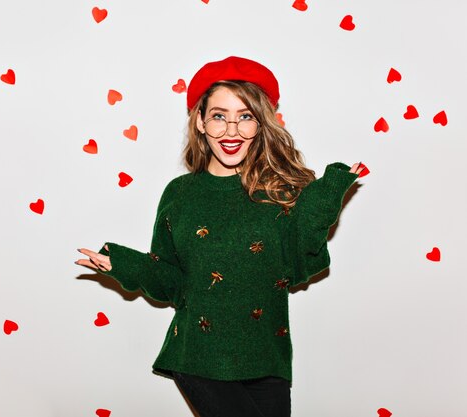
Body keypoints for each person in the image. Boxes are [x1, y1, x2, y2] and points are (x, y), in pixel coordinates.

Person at [76, 56, 364, 417]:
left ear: (262, 124)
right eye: (218, 116)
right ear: (199, 121)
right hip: (199, 356)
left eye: (245, 117)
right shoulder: (179, 194)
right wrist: (123, 264)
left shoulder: (283, 190)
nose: (231, 131)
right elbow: (173, 283)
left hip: (269, 359)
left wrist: (321, 207)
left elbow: (301, 266)